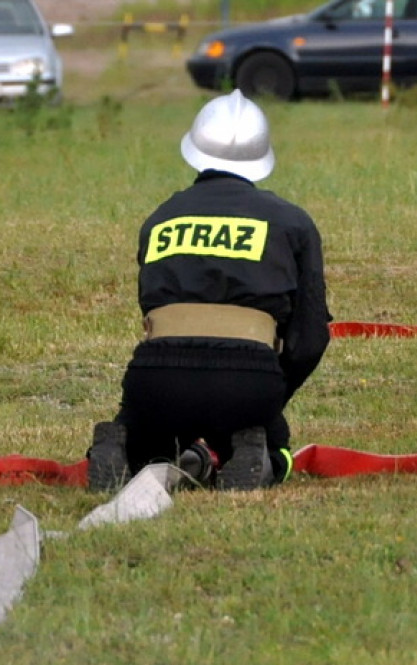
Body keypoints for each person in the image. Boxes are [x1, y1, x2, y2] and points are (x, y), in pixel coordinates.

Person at [87, 89, 331, 492]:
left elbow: (151, 308)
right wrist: (269, 389)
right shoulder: (292, 222)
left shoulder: (160, 218)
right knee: (276, 443)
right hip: (249, 379)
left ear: (194, 149)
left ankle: (123, 450)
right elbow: (310, 338)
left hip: (156, 377)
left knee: (149, 443)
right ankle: (259, 456)